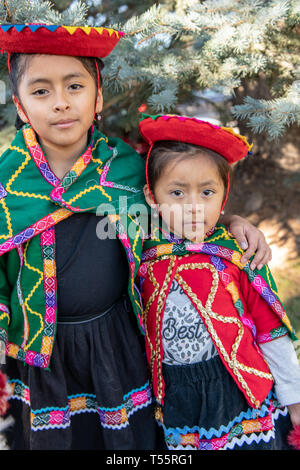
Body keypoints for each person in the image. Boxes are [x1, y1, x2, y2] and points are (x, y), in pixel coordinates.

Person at [0, 24, 273, 450]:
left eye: (74, 86)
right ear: (19, 105)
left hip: (118, 342)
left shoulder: (127, 169)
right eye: (40, 92)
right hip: (45, 356)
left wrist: (234, 219)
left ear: (99, 97)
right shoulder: (6, 183)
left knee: (130, 444)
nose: (60, 103)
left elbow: (176, 207)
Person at [138, 113, 300, 451]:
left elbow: (271, 329)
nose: (194, 206)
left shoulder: (236, 255)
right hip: (176, 398)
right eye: (178, 192)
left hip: (240, 392)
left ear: (223, 198)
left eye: (207, 192)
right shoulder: (141, 257)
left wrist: (295, 397)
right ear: (152, 197)